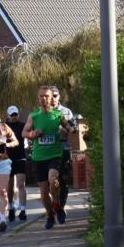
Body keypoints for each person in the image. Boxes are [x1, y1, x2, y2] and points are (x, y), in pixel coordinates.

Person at [23, 85, 73, 230]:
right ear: (38, 99)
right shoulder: (33, 116)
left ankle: (57, 205)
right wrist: (33, 134)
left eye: (46, 96)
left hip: (55, 154)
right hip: (38, 157)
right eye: (41, 96)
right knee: (44, 193)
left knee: (53, 179)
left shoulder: (58, 114)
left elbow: (68, 127)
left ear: (52, 98)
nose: (44, 98)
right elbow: (24, 133)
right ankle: (50, 214)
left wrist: (70, 130)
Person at [50, 86, 76, 216]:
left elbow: (73, 128)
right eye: (51, 96)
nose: (53, 98)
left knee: (63, 179)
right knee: (52, 180)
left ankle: (61, 206)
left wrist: (67, 128)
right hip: (48, 150)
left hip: (63, 147)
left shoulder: (66, 111)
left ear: (59, 96)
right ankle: (55, 203)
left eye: (55, 95)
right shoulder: (43, 112)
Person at [4, 105, 28, 222]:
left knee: (20, 184)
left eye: (16, 114)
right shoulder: (4, 127)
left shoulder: (23, 125)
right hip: (8, 158)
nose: (14, 117)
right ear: (8, 115)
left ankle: (23, 210)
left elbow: (29, 133)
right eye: (12, 115)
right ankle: (11, 207)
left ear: (18, 114)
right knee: (9, 185)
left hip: (20, 157)